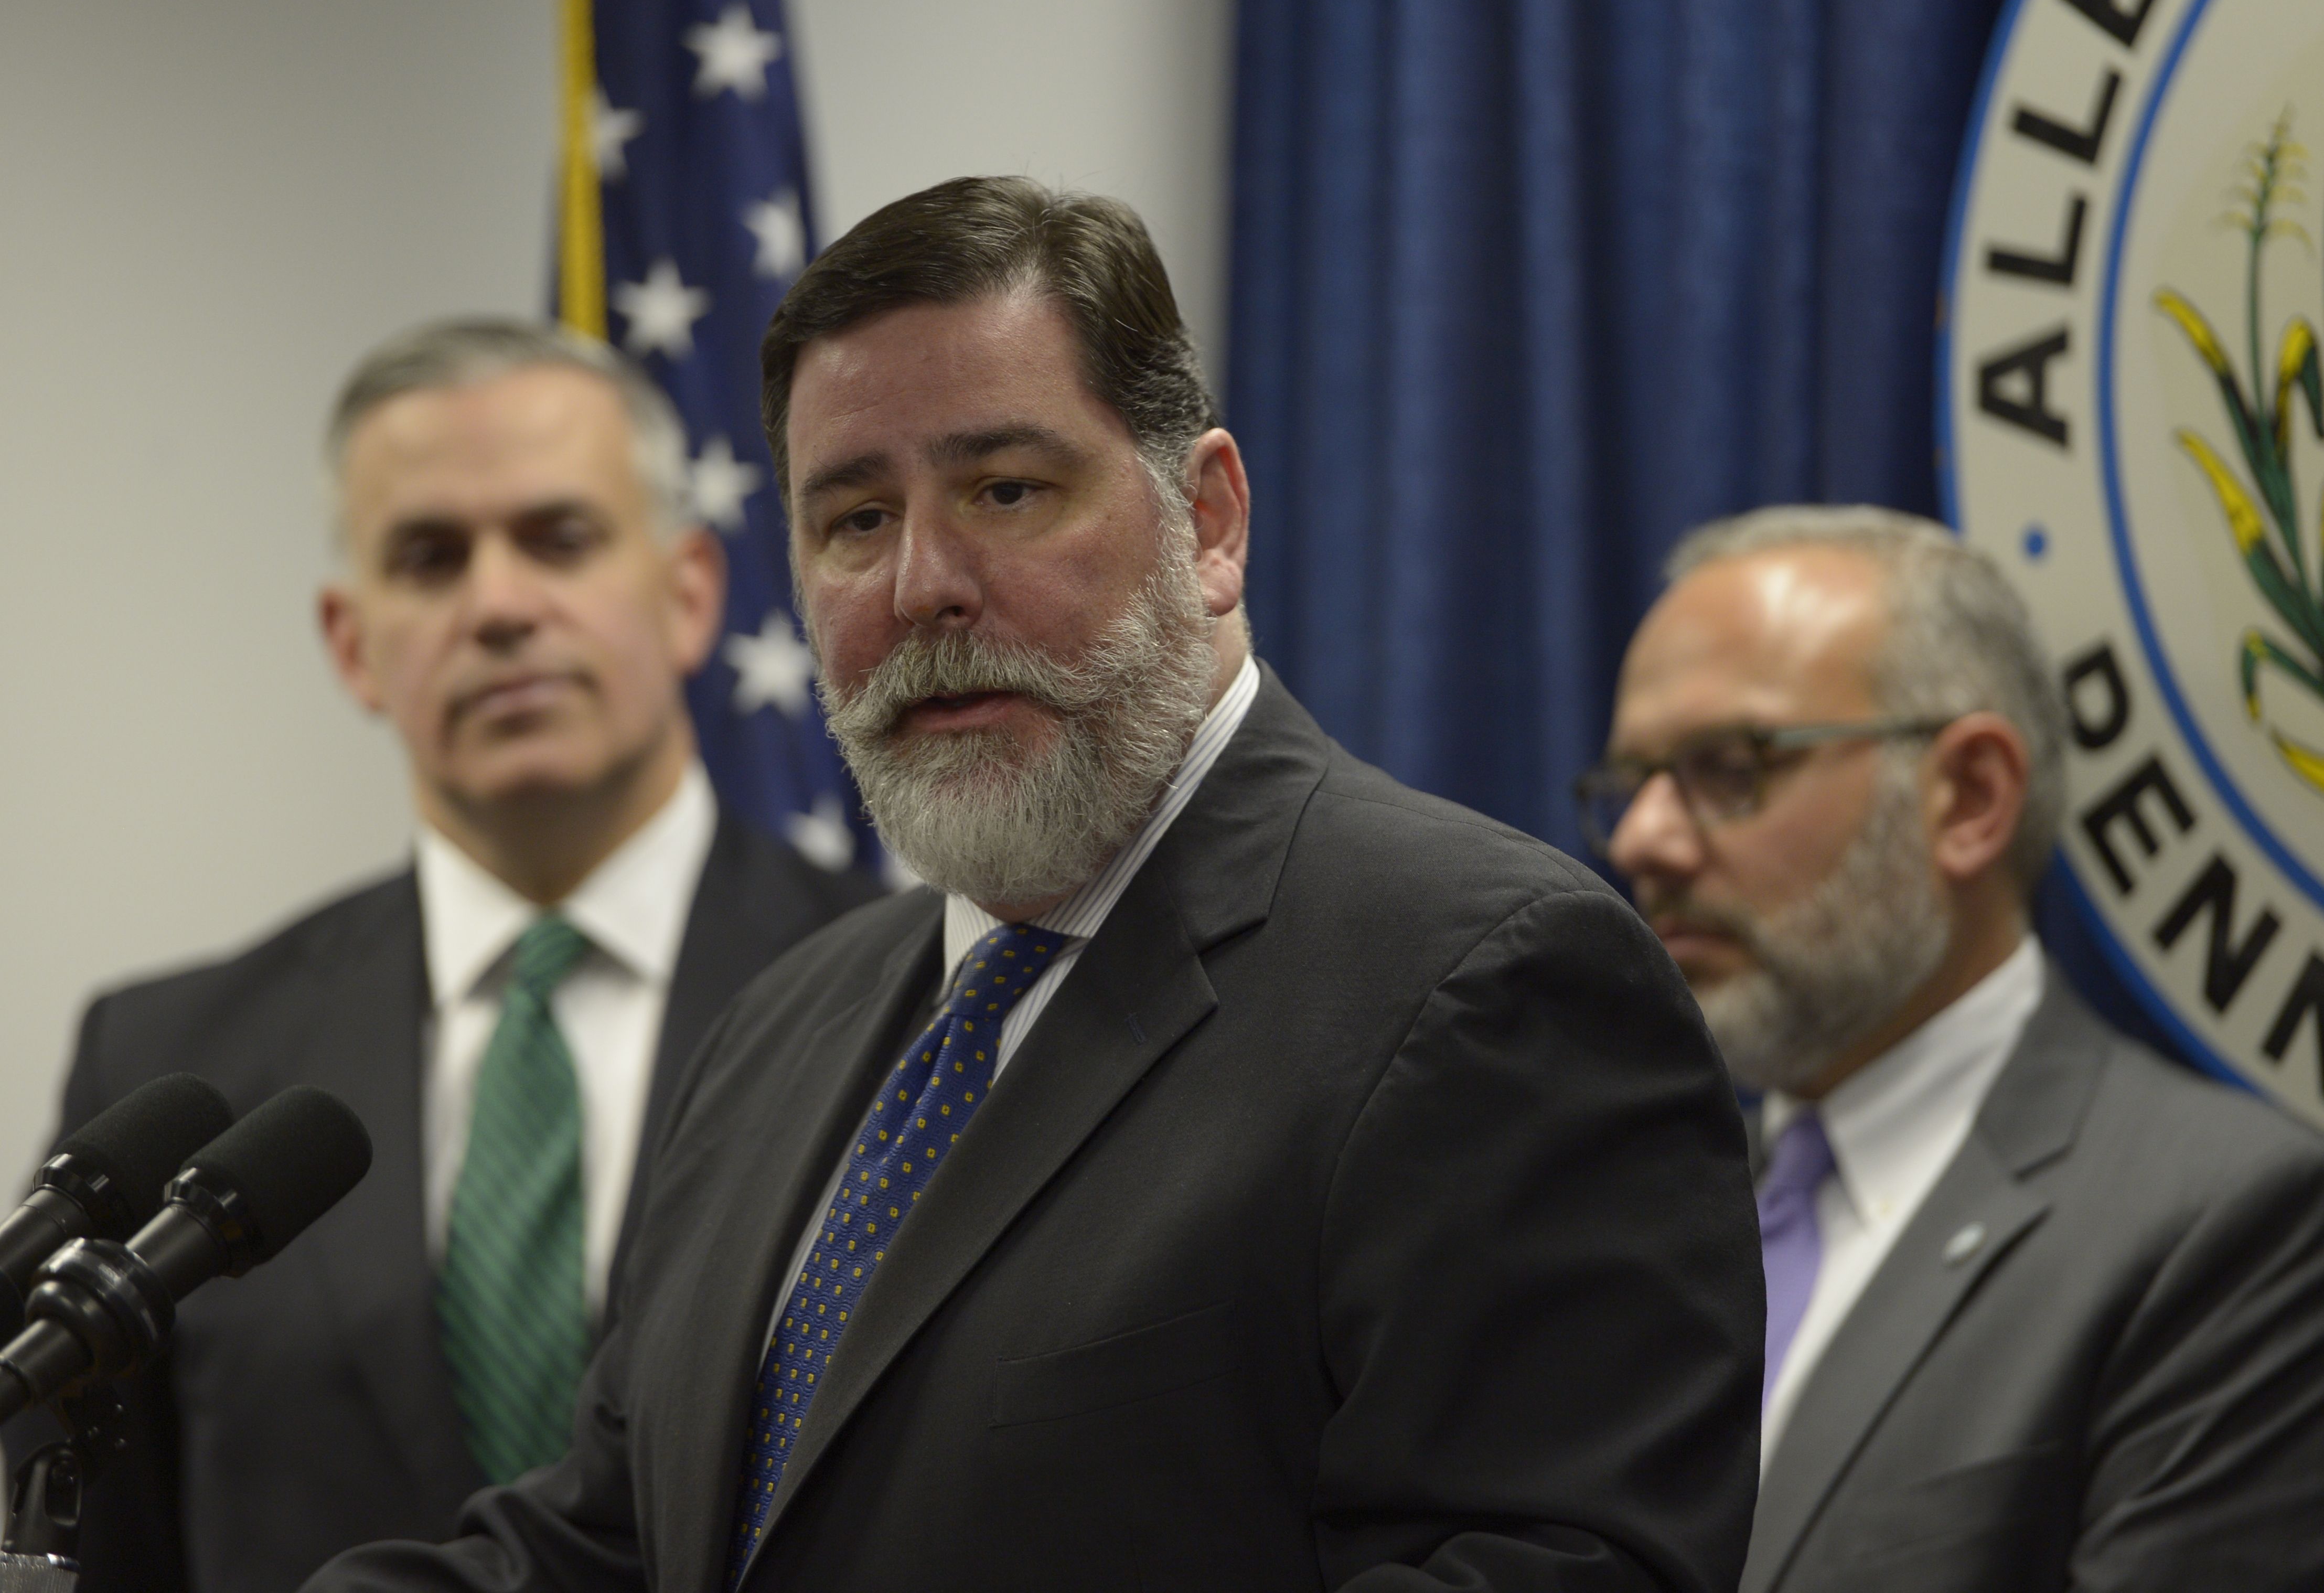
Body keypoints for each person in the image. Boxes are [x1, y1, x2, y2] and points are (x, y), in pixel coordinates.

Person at [302, 177, 1762, 1592]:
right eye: (854, 520)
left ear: (1211, 521)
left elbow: (1549, 1564)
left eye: (1007, 489)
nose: (923, 582)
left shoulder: (1486, 980)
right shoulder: (786, 1023)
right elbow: (617, 1544)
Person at [35, 321, 879, 1592]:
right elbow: (100, 1542)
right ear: (351, 640)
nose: (498, 606)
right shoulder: (170, 1063)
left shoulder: (909, 999)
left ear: (691, 591)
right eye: (429, 558)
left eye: (560, 538)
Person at [1584, 506, 2324, 1592]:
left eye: (1726, 765)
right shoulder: (1629, 1211)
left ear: (1971, 797)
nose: (1639, 840)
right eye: (1631, 781)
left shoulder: (2236, 1230)